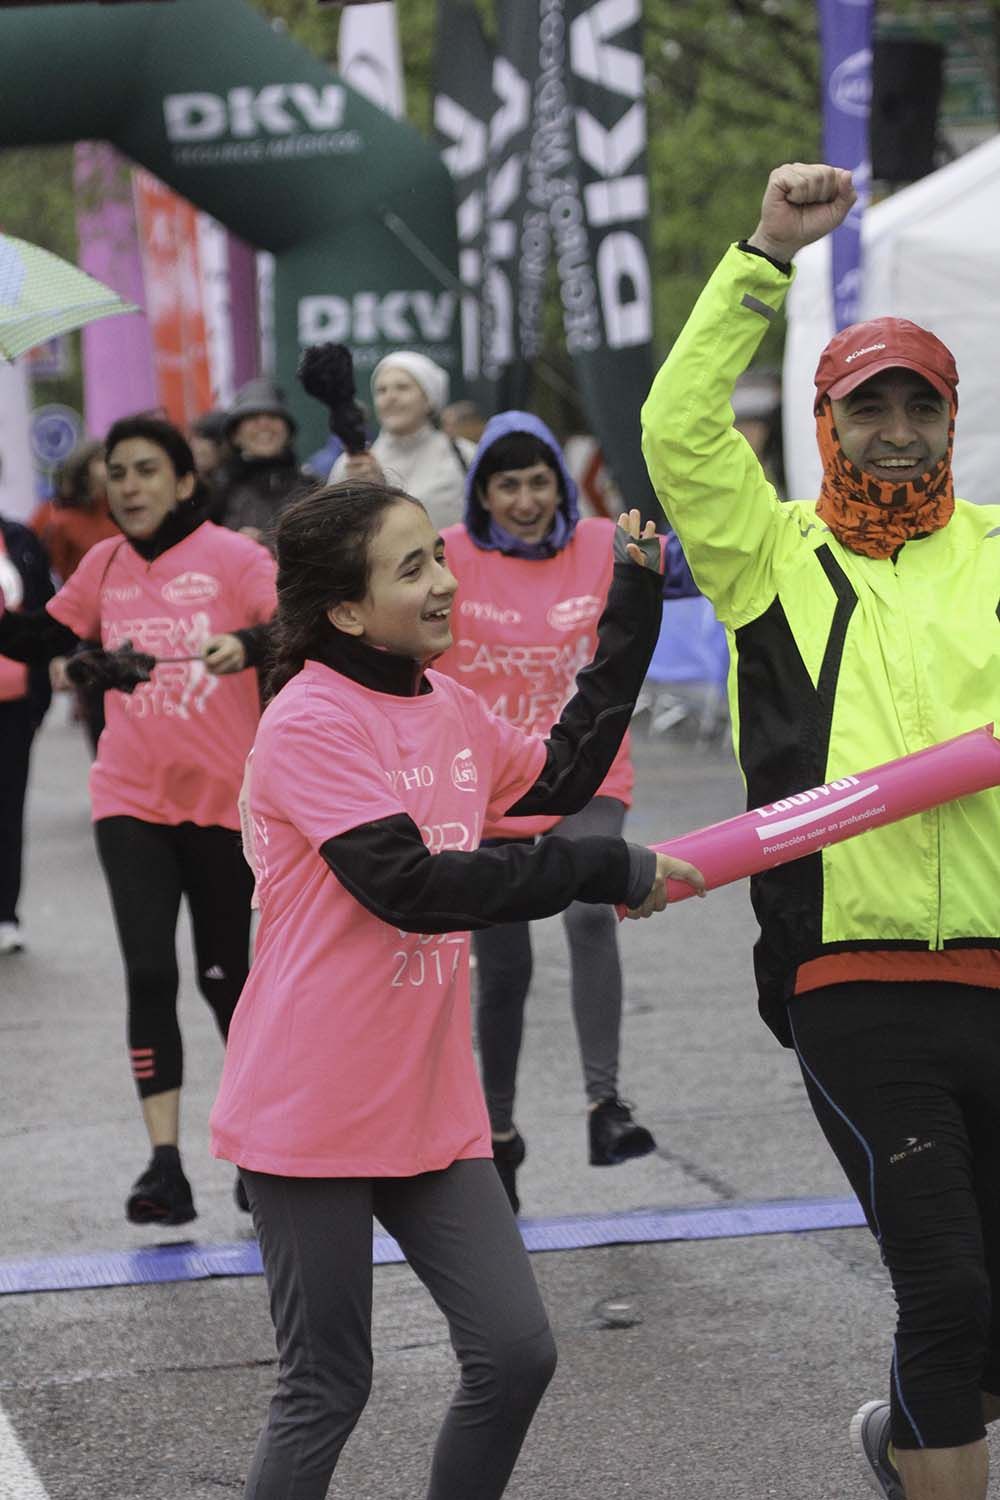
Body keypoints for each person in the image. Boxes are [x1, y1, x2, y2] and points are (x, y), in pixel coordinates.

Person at [209, 479, 705, 1500]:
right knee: (327, 1386)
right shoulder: (308, 723)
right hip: (309, 1109)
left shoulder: (450, 706)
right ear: (346, 610)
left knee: (516, 1352)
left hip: (429, 1102)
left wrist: (633, 602)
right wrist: (598, 871)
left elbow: (565, 778)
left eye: (437, 558)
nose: (443, 584)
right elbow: (413, 886)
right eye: (411, 569)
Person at [641, 161, 1000, 1500]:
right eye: (868, 407)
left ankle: (903, 1452)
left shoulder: (999, 553)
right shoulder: (767, 555)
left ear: (951, 417)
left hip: (999, 967)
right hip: (852, 979)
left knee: (983, 1333)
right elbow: (678, 430)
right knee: (946, 1293)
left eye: (920, 403)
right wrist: (762, 257)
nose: (895, 428)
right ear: (825, 424)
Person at [0, 416, 277, 1226]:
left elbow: (297, 627)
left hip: (228, 804)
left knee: (227, 979)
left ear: (184, 481)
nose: (128, 486)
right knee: (151, 974)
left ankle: (257, 1148)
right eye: (117, 472)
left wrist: (250, 643)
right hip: (131, 798)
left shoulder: (233, 557)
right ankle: (164, 1166)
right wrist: (59, 652)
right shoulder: (104, 564)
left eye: (147, 471)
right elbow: (43, 635)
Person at [433, 411, 664, 1211]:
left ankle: (606, 1107)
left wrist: (662, 559)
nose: (525, 500)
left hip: (587, 771)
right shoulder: (450, 557)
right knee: (502, 972)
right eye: (506, 485)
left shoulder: (601, 543)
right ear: (482, 492)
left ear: (560, 485)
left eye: (538, 482)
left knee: (592, 907)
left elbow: (692, 576)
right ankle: (498, 1135)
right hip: (492, 787)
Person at [329, 351, 474, 531]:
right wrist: (362, 490)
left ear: (429, 399)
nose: (390, 397)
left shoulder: (466, 456)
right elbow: (333, 537)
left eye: (403, 387)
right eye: (381, 390)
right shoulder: (350, 466)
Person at [0, 512, 53, 956]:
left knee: (7, 808)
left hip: (13, 704)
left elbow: (45, 612)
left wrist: (43, 690)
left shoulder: (20, 539)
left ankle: (5, 914)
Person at [215, 379, 314, 543]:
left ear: (288, 432)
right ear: (235, 435)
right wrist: (232, 544)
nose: (264, 424)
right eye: (252, 417)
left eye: (273, 416)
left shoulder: (311, 488)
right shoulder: (217, 492)